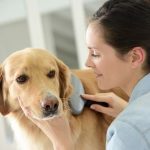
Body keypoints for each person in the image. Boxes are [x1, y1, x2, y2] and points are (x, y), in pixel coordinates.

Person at [18, 0, 150, 149]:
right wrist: (129, 111)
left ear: (135, 57)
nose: (87, 63)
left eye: (95, 53)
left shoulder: (126, 133)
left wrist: (63, 144)